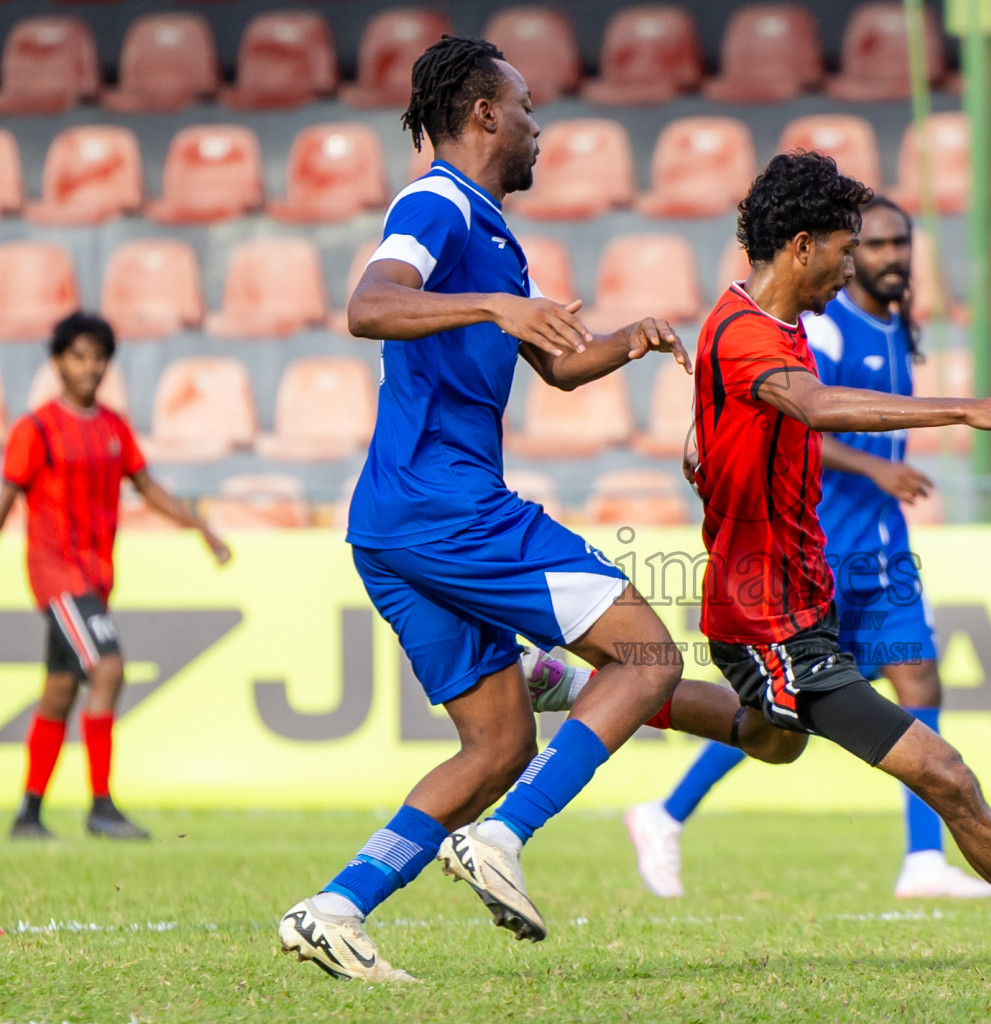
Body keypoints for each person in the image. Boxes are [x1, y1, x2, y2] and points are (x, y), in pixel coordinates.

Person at [278, 37, 798, 984]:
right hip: (448, 507)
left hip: (396, 522)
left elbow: (552, 368)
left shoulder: (495, 238)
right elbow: (368, 304)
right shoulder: (436, 202)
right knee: (644, 656)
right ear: (483, 114)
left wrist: (619, 343)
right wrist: (494, 308)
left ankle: (336, 907)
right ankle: (503, 838)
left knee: (501, 741)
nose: (537, 127)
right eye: (524, 107)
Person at [679, 151, 991, 980]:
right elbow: (811, 406)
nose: (851, 268)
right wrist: (964, 408)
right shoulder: (746, 333)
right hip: (768, 617)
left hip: (804, 602)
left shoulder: (769, 325)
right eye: (844, 251)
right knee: (945, 773)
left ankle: (600, 690)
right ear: (801, 246)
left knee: (770, 742)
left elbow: (736, 432)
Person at [626, 196, 991, 900]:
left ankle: (922, 862)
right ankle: (665, 812)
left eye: (896, 245)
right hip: (823, 549)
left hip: (883, 547)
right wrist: (878, 464)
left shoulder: (892, 329)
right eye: (871, 245)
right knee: (786, 714)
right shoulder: (821, 330)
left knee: (916, 681)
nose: (886, 258)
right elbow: (800, 418)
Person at [1, 312, 231, 842]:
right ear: (57, 362)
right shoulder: (35, 429)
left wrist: (199, 526)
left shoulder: (112, 428)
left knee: (60, 689)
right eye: (79, 355)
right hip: (57, 576)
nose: (91, 366)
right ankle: (101, 806)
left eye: (99, 356)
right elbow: (8, 497)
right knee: (107, 668)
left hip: (97, 577)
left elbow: (146, 486)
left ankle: (28, 815)